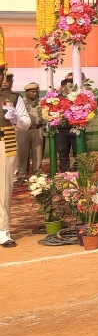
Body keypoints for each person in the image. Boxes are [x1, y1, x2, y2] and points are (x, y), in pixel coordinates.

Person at [0, 51, 32, 248]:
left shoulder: (12, 97)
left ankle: (3, 231)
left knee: (3, 188)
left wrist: (15, 119)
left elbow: (26, 124)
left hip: (4, 142)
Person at [16, 83, 44, 182]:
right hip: (23, 130)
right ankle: (22, 175)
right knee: (22, 153)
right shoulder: (20, 103)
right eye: (32, 92)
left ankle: (37, 174)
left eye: (36, 91)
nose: (34, 93)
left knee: (38, 153)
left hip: (38, 129)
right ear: (26, 92)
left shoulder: (41, 103)